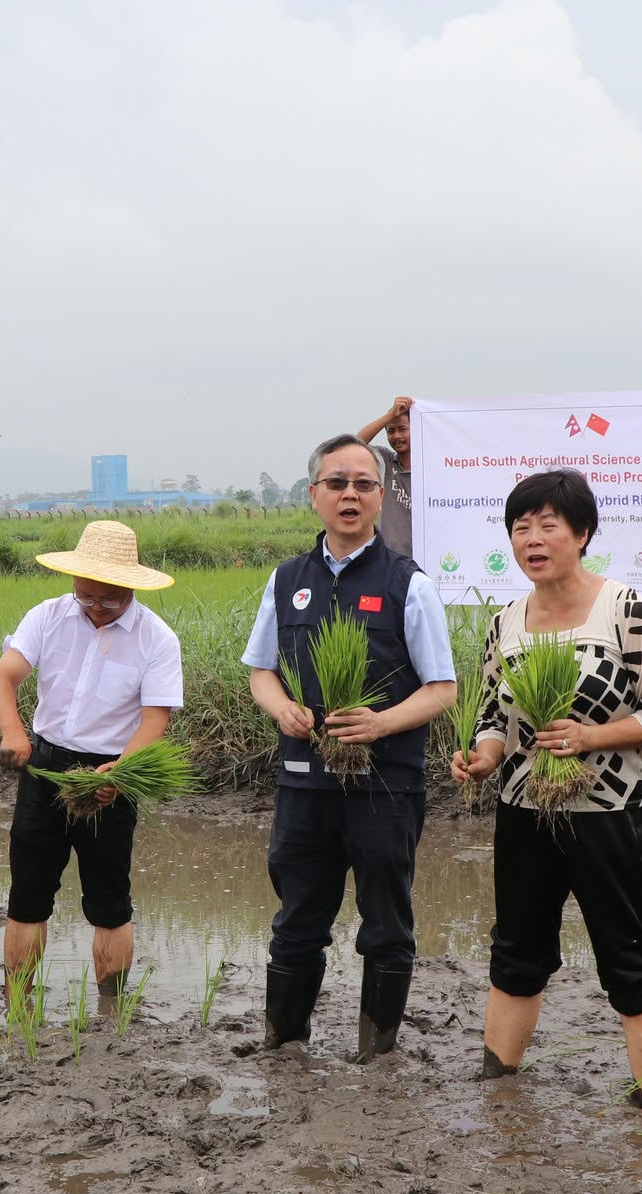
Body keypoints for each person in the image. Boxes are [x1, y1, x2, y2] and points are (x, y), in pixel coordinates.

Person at [452, 469, 642, 1105]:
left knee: (629, 959)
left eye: (548, 525)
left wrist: (589, 737)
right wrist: (483, 758)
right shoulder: (506, 622)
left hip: (609, 815)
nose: (532, 538)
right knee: (515, 954)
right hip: (523, 811)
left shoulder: (628, 612)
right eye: (520, 527)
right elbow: (493, 718)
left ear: (582, 534)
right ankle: (499, 1093)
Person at [242, 435, 456, 1062]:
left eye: (364, 483)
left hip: (385, 785)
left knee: (386, 922)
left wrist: (380, 724)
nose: (350, 494)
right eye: (337, 483)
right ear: (314, 495)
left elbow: (442, 688)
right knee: (297, 918)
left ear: (380, 496)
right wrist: (279, 706)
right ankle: (284, 1045)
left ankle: (376, 1053)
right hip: (305, 782)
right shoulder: (287, 580)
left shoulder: (408, 584)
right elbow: (261, 670)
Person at [0, 520, 183, 995]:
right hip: (44, 767)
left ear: (131, 588)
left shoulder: (157, 639)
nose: (95, 606)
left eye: (109, 600)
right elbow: (3, 679)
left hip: (110, 774)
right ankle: (17, 1003)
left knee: (109, 899)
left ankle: (111, 1011)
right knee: (27, 893)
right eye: (86, 596)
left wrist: (121, 773)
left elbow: (153, 721)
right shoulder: (48, 616)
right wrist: (13, 732)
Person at [355, 395, 415, 557]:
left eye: (402, 429)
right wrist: (390, 415)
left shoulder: (429, 467)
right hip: (390, 558)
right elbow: (356, 444)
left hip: (425, 558)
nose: (397, 436)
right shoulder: (386, 461)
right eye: (390, 431)